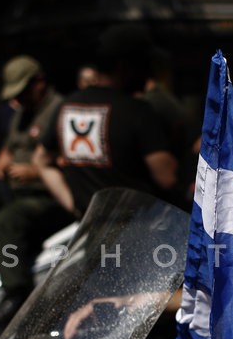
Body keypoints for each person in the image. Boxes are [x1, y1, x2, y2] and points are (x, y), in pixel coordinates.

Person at [33, 24, 181, 218]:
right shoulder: (137, 111)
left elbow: (40, 161)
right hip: (139, 231)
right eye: (144, 64)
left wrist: (74, 205)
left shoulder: (67, 107)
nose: (148, 73)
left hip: (92, 233)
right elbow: (167, 178)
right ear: (124, 67)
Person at [0, 55, 72, 322]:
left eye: (23, 91)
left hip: (49, 196)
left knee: (8, 220)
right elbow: (10, 146)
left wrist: (33, 172)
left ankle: (17, 294)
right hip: (18, 193)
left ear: (38, 82)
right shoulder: (22, 115)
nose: (19, 99)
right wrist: (2, 162)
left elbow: (68, 162)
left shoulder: (60, 110)